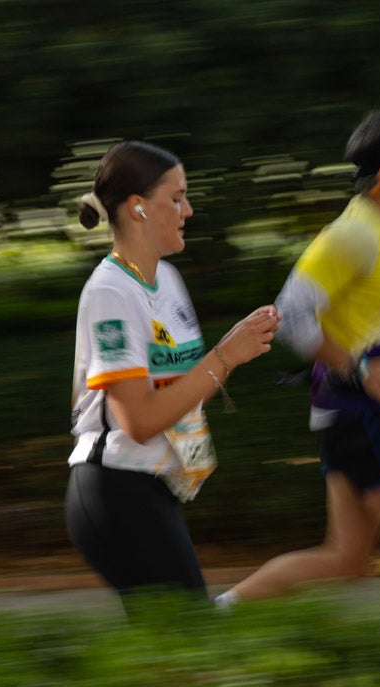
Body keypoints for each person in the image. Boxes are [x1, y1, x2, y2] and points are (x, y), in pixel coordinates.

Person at [216, 112, 380, 614]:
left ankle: (216, 613)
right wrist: (362, 369)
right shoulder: (354, 234)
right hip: (362, 415)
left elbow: (374, 314)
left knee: (348, 560)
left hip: (353, 414)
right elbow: (289, 316)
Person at [67, 140, 280, 607]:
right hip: (115, 489)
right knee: (188, 636)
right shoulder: (108, 293)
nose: (189, 210)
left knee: (176, 641)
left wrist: (231, 351)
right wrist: (225, 356)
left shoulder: (168, 279)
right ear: (138, 207)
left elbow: (184, 392)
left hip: (153, 488)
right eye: (178, 198)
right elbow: (140, 421)